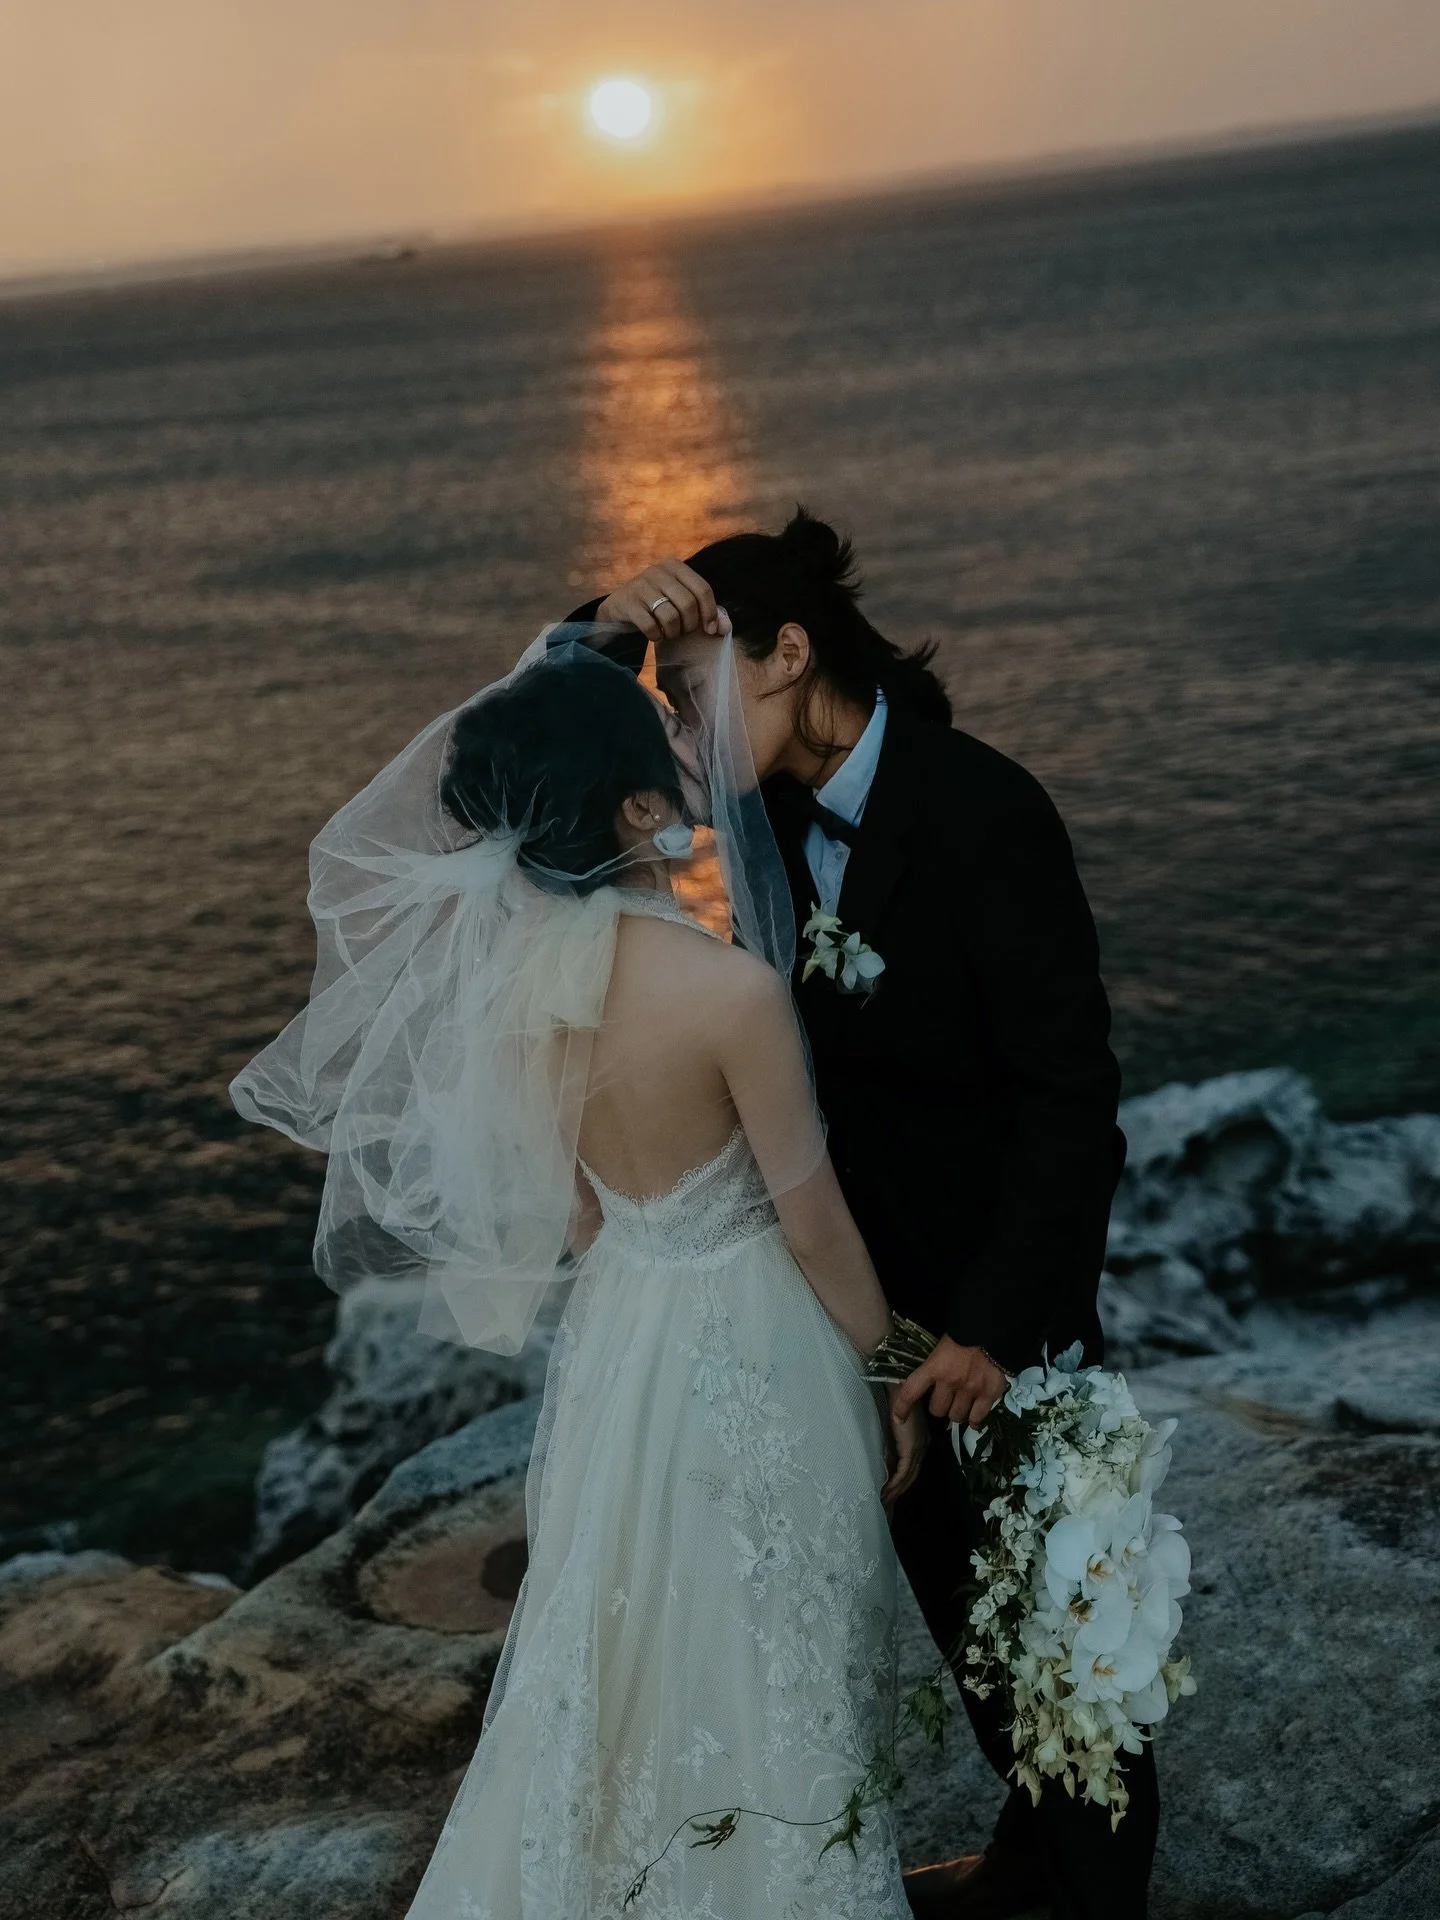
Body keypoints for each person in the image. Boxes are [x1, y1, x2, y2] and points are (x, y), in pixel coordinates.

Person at [229, 635, 927, 1917]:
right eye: (665, 755)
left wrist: (634, 1316)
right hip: (754, 1332)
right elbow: (813, 1219)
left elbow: (583, 1224)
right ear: (645, 812)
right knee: (773, 1642)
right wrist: (890, 1368)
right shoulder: (729, 994)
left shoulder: (516, 1001)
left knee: (620, 1646)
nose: (689, 756)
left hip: (624, 1330)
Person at [563, 508, 1157, 1920]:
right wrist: (602, 628)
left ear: (784, 655)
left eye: (691, 694)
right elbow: (531, 769)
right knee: (967, 1629)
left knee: (1074, 1666)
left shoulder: (985, 810)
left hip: (1001, 1323)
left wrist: (995, 1332)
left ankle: (1100, 1900)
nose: (679, 742)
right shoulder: (763, 810)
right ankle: (1030, 1867)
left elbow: (1073, 1102)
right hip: (863, 1322)